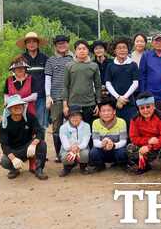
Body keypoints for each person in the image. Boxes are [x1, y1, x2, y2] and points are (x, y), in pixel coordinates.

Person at [0, 95, 48, 180]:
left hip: (28, 148)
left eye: (20, 105)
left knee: (42, 144)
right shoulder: (4, 124)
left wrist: (34, 143)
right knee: (4, 161)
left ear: (23, 106)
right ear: (9, 109)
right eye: (14, 106)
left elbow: (40, 131)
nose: (18, 107)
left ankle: (39, 169)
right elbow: (4, 144)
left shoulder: (30, 117)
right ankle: (14, 169)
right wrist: (13, 158)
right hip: (14, 150)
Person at [127, 92, 161, 176]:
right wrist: (148, 142)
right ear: (138, 109)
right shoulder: (134, 119)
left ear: (153, 106)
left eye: (148, 107)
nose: (145, 110)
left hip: (158, 145)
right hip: (144, 145)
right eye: (142, 108)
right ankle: (144, 166)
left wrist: (150, 147)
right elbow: (133, 138)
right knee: (130, 148)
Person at [45, 34, 74, 163]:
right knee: (56, 126)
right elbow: (48, 79)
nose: (62, 45)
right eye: (59, 44)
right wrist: (48, 95)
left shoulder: (74, 58)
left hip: (71, 98)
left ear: (68, 44)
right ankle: (58, 154)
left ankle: (71, 152)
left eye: (64, 43)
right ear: (55, 46)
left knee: (72, 125)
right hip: (55, 98)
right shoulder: (51, 60)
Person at [63, 40, 102, 135]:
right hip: (73, 103)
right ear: (75, 51)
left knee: (89, 130)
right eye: (79, 49)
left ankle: (89, 149)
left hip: (89, 104)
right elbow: (65, 86)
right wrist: (65, 105)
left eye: (84, 48)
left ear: (88, 50)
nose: (82, 51)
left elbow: (97, 86)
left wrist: (98, 103)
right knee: (74, 131)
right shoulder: (69, 65)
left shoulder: (94, 66)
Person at [16, 32, 49, 130]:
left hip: (41, 96)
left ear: (38, 43)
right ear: (25, 45)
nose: (31, 44)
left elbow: (48, 78)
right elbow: (16, 78)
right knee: (24, 124)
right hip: (25, 97)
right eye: (29, 42)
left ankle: (40, 145)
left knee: (40, 124)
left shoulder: (45, 58)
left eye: (34, 41)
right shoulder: (21, 59)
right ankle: (26, 145)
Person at [105, 37, 139, 131]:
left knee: (131, 126)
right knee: (116, 127)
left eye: (124, 47)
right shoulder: (110, 66)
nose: (122, 50)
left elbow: (135, 83)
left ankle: (130, 145)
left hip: (129, 102)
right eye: (119, 48)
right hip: (115, 102)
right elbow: (108, 83)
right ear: (114, 50)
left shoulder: (133, 65)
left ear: (128, 50)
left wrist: (124, 97)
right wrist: (118, 98)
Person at [89, 99, 129, 172]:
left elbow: (123, 141)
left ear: (114, 111)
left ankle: (121, 164)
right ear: (100, 113)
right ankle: (100, 165)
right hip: (102, 150)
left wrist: (113, 145)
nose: (106, 113)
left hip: (116, 150)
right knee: (93, 152)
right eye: (103, 111)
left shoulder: (121, 122)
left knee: (122, 152)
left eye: (109, 110)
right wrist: (102, 143)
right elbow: (95, 142)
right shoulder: (95, 123)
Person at [58, 105, 92, 176]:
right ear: (69, 117)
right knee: (65, 157)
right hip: (68, 149)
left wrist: (78, 147)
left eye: (77, 115)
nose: (75, 118)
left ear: (81, 117)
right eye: (72, 116)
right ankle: (67, 167)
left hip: (81, 149)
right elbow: (65, 143)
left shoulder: (86, 126)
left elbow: (85, 141)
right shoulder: (63, 127)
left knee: (85, 154)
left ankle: (83, 166)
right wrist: (71, 148)